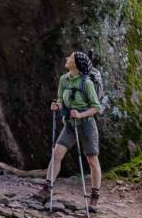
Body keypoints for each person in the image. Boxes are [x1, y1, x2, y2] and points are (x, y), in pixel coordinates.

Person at [38, 51, 103, 212]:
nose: (67, 59)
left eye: (71, 58)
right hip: (70, 125)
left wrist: (80, 114)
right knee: (57, 153)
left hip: (86, 124)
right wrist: (57, 106)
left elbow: (97, 107)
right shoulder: (64, 79)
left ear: (77, 64)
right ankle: (47, 188)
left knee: (92, 160)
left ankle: (94, 196)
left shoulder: (86, 83)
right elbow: (60, 98)